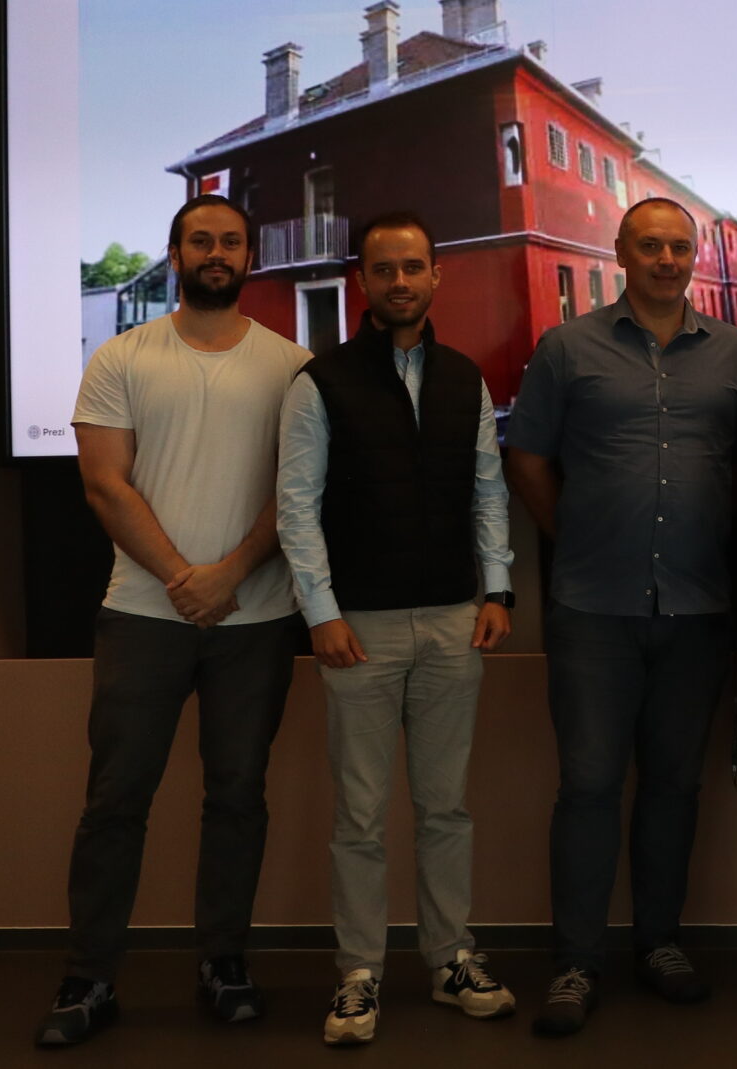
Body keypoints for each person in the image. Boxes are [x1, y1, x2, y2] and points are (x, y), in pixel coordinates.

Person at [37, 194, 313, 1048]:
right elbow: (104, 484)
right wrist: (184, 578)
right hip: (142, 614)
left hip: (256, 614)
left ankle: (223, 962)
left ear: (249, 257)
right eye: (202, 240)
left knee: (238, 798)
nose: (217, 252)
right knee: (115, 800)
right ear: (176, 252)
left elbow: (297, 491)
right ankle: (89, 976)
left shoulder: (293, 365)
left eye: (231, 241)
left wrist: (229, 573)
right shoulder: (120, 356)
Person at [503, 197, 737, 1037]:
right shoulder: (567, 348)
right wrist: (577, 535)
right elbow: (529, 459)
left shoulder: (732, 354)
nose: (666, 257)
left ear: (694, 257)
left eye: (679, 246)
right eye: (649, 244)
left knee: (675, 786)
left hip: (699, 607)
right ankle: (577, 963)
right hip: (592, 607)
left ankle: (659, 943)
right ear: (619, 251)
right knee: (585, 786)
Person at [276, 212, 519, 1045]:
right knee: (361, 815)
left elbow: (488, 493)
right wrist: (323, 613)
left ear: (435, 276)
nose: (401, 281)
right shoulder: (321, 382)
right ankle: (358, 975)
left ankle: (452, 957)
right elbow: (296, 509)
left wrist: (499, 591)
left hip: (457, 622)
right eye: (384, 269)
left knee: (447, 807)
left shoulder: (466, 379)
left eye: (414, 266)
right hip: (359, 633)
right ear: (364, 283)